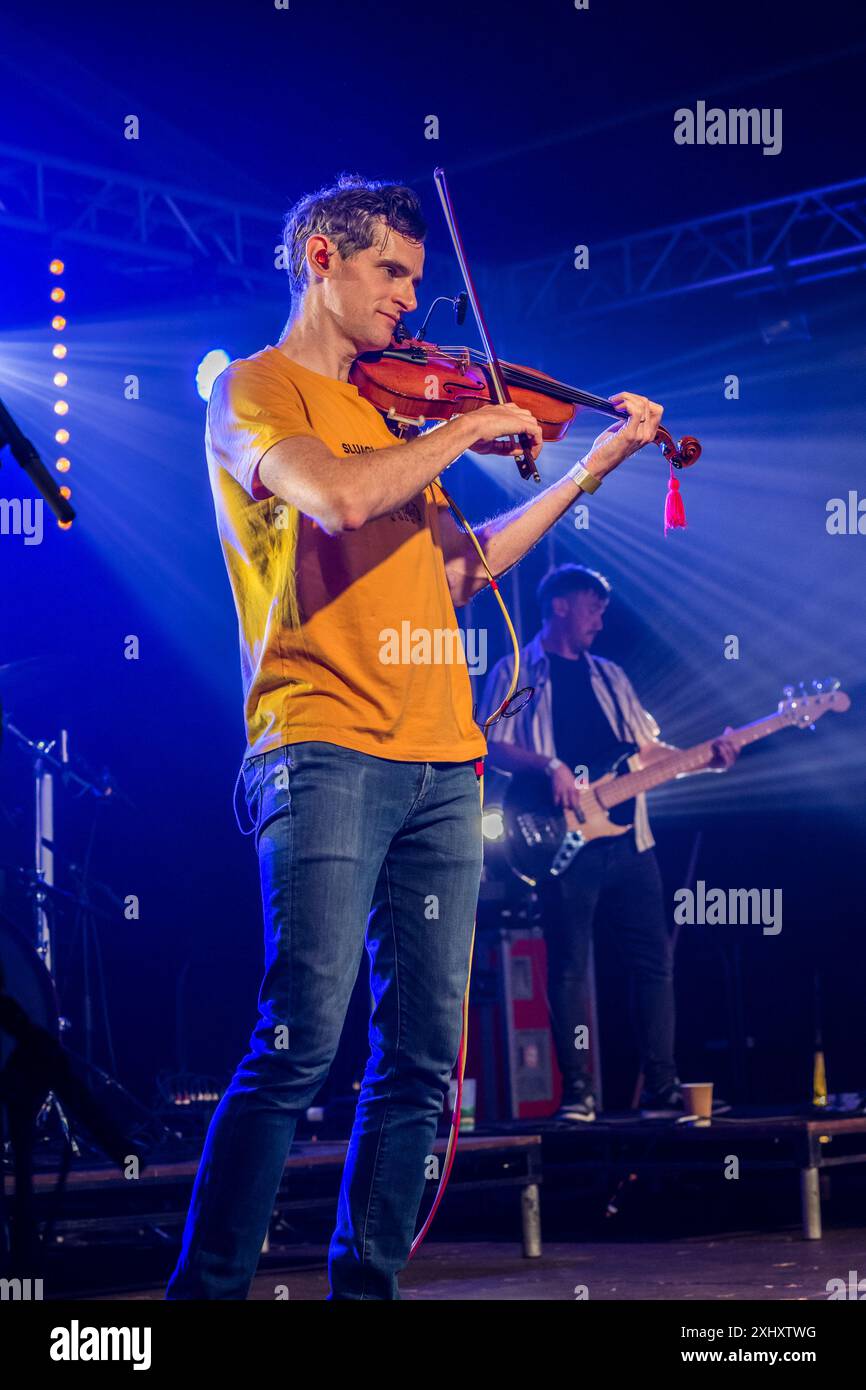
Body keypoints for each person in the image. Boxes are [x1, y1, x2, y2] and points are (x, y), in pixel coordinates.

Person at [166, 172, 665, 1300]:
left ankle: (368, 1287)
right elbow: (336, 501)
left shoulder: (397, 414)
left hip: (443, 759)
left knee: (423, 1064)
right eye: (389, 272)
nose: (407, 300)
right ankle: (206, 1294)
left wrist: (587, 465)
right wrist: (466, 429)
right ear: (320, 262)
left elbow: (462, 563)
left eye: (415, 278)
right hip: (323, 741)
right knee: (298, 1040)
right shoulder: (255, 391)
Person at [482, 564, 737, 1123]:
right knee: (570, 967)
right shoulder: (517, 671)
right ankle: (577, 1092)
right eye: (591, 603)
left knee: (653, 963)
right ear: (560, 606)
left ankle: (661, 1089)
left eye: (602, 605)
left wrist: (705, 761)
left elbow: (646, 752)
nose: (601, 614)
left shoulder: (612, 676)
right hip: (557, 841)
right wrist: (549, 764)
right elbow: (491, 745)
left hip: (629, 842)